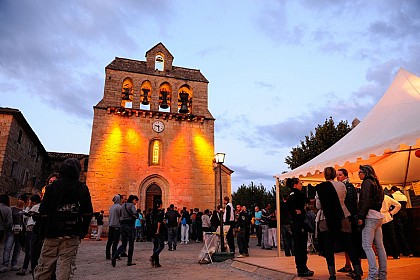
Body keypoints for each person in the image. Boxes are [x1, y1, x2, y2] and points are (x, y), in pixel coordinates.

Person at [34, 158, 93, 280]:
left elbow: (43, 212)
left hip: (52, 233)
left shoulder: (51, 188)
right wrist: (81, 232)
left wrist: (43, 231)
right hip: (72, 233)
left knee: (45, 266)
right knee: (66, 266)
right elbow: (88, 213)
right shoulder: (82, 188)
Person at [315, 167, 362, 280]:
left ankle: (332, 274)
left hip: (326, 218)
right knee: (348, 244)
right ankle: (357, 270)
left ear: (325, 175)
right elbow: (343, 200)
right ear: (335, 174)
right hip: (342, 216)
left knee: (328, 246)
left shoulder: (320, 188)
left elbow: (318, 206)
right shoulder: (341, 185)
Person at [357, 165, 387, 280]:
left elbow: (365, 200)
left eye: (360, 172)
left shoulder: (367, 182)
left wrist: (361, 216)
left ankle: (373, 275)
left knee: (367, 245)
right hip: (378, 216)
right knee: (380, 246)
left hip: (369, 216)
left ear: (365, 172)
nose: (359, 174)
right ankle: (382, 275)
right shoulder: (377, 183)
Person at [285, 178, 314, 278]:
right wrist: (296, 212)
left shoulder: (292, 194)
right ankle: (302, 269)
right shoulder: (297, 194)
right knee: (301, 247)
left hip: (296, 223)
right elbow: (288, 205)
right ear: (295, 185)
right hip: (299, 223)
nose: (301, 185)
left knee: (299, 246)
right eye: (300, 183)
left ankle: (302, 268)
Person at [336, 168, 362, 275]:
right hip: (346, 218)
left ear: (346, 176)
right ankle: (348, 266)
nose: (338, 177)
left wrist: (349, 217)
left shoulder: (349, 187)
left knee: (353, 243)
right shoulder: (342, 187)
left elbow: (351, 204)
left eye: (340, 175)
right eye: (337, 175)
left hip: (350, 219)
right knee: (347, 243)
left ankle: (357, 268)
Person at [1, 194, 28, 273]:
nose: (20, 201)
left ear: (25, 202)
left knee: (17, 249)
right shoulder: (11, 208)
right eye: (19, 199)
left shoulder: (25, 210)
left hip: (21, 232)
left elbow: (26, 222)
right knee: (7, 247)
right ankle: (5, 265)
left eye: (22, 200)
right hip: (11, 231)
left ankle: (14, 264)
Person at [16, 194, 41, 276]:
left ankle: (24, 269)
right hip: (34, 230)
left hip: (31, 230)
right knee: (33, 250)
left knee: (29, 250)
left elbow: (25, 214)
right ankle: (33, 267)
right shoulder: (38, 207)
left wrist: (28, 206)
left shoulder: (35, 207)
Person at [111, 195, 139, 267]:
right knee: (131, 244)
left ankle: (115, 256)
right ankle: (129, 261)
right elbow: (135, 213)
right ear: (133, 200)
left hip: (122, 225)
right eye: (136, 201)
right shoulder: (131, 205)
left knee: (123, 244)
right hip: (129, 225)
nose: (136, 203)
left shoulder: (123, 205)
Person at [389, 186, 413, 257]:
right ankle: (406, 251)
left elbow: (391, 206)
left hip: (397, 217)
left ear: (393, 190)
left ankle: (405, 251)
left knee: (398, 235)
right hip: (405, 217)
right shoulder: (404, 196)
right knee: (404, 234)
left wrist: (391, 213)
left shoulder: (392, 196)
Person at [381, 194, 401, 259]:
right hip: (388, 218)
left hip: (380, 219)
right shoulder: (387, 197)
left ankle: (385, 254)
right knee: (392, 237)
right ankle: (396, 254)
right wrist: (392, 212)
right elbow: (398, 205)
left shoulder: (375, 197)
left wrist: (392, 212)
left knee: (383, 238)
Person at [106, 195, 122, 260]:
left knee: (109, 241)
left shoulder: (111, 207)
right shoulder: (119, 207)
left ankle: (107, 255)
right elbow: (121, 217)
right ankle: (114, 255)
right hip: (116, 226)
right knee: (115, 241)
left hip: (111, 226)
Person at [150, 199, 164, 267]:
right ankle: (154, 256)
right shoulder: (161, 212)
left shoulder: (152, 212)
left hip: (152, 229)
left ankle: (156, 262)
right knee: (161, 245)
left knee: (155, 245)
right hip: (158, 230)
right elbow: (159, 222)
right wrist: (158, 231)